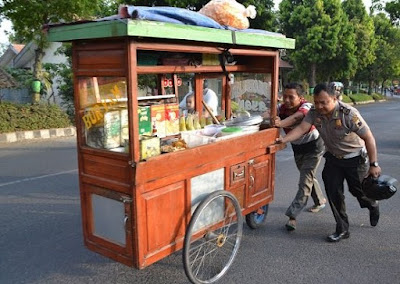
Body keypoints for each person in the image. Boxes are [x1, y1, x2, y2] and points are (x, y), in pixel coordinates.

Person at [276, 82, 381, 242]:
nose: (319, 106)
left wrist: (373, 164)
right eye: (317, 102)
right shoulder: (314, 112)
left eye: (323, 102)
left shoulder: (349, 114)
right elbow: (302, 128)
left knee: (359, 192)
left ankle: (372, 205)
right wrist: (284, 139)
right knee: (334, 193)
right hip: (333, 158)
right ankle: (342, 229)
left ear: (334, 99)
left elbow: (369, 138)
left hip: (355, 159)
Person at [274, 83, 326, 231]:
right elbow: (268, 114)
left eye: (291, 97)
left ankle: (293, 216)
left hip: (314, 147)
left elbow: (297, 118)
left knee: (305, 180)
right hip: (297, 147)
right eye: (285, 97)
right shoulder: (281, 108)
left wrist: (279, 123)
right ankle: (320, 200)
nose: (287, 100)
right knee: (308, 176)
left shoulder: (307, 107)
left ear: (300, 98)